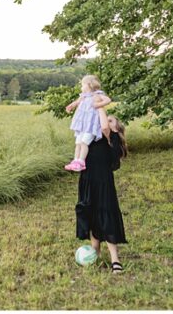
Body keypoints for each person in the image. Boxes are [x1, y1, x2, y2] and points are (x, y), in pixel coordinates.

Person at [76, 97, 128, 273]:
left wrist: (98, 103)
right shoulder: (93, 138)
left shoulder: (110, 137)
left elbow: (104, 125)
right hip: (88, 180)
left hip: (103, 183)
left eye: (111, 120)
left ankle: (115, 259)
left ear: (115, 128)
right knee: (90, 212)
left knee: (106, 215)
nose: (106, 121)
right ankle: (95, 251)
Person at [64, 74, 111, 171]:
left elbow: (108, 100)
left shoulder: (97, 95)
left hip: (91, 124)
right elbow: (76, 102)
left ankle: (81, 161)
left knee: (84, 142)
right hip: (82, 124)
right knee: (78, 142)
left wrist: (98, 104)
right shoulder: (83, 96)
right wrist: (70, 106)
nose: (81, 87)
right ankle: (75, 161)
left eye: (82, 84)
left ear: (89, 85)